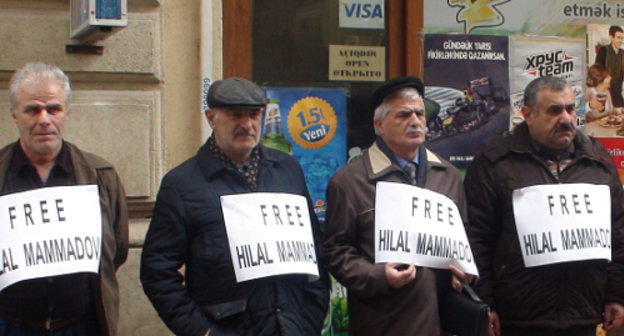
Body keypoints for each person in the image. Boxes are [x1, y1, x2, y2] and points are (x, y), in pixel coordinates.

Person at [140, 77, 329, 336]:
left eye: (254, 115)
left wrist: (312, 311)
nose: (247, 125)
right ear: (211, 118)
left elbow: (314, 249)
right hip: (227, 327)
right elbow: (157, 272)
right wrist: (201, 330)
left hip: (293, 325)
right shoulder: (182, 185)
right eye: (235, 115)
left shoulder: (288, 169)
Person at [464, 76, 624, 336]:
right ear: (527, 114)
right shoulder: (495, 164)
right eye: (554, 110)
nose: (566, 118)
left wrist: (616, 296)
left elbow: (617, 235)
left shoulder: (597, 163)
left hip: (584, 317)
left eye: (571, 109)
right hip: (517, 319)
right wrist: (485, 304)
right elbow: (476, 240)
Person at [322, 76, 472, 335]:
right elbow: (335, 251)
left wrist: (466, 274)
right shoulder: (350, 181)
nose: (415, 121)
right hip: (384, 323)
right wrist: (378, 276)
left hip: (442, 323)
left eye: (420, 114)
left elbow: (465, 242)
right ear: (379, 124)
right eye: (403, 115)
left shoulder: (447, 174)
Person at [0, 62, 129, 335]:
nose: (44, 119)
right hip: (11, 325)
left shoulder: (101, 176)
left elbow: (115, 251)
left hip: (80, 325)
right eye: (32, 110)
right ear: (14, 114)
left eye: (53, 109)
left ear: (66, 112)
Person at [595, 25, 624, 107]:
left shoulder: (622, 53)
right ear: (611, 37)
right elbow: (596, 71)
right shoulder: (604, 51)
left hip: (618, 93)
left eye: (622, 38)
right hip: (605, 94)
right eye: (618, 37)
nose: (620, 40)